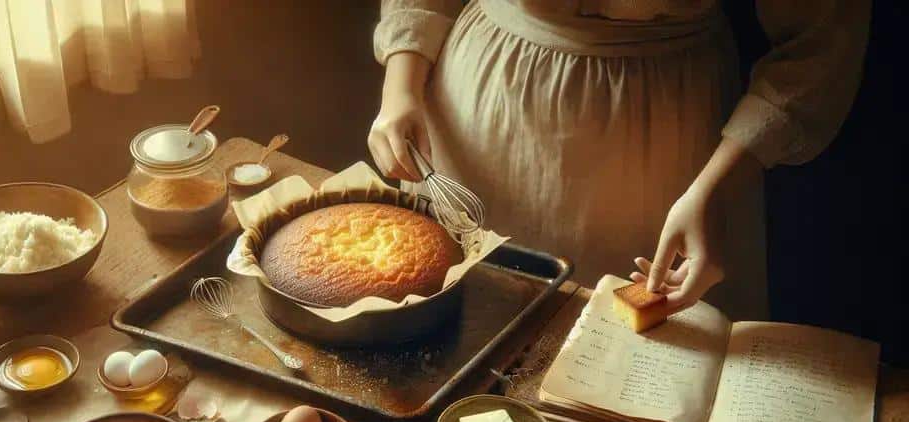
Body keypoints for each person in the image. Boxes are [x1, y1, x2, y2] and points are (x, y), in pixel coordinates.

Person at [369, 0, 869, 319]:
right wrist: (401, 88)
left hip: (672, 145)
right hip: (479, 112)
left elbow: (819, 45)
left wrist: (715, 192)